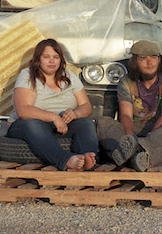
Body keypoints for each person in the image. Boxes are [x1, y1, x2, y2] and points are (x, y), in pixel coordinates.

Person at [97, 40, 162, 171]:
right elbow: (126, 116)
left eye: (154, 57)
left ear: (160, 60)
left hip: (160, 131)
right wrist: (130, 140)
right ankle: (137, 156)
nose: (150, 63)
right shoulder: (126, 82)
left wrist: (145, 143)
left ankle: (137, 153)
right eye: (143, 58)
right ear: (134, 62)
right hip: (134, 129)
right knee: (103, 123)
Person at [6, 39, 99, 171]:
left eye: (56, 57)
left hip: (62, 124)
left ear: (60, 60)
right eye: (46, 57)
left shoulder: (69, 76)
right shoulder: (27, 75)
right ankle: (65, 160)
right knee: (33, 124)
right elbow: (23, 110)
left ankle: (87, 157)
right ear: (38, 59)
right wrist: (54, 117)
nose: (52, 61)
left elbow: (86, 106)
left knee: (86, 123)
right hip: (27, 125)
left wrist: (75, 113)